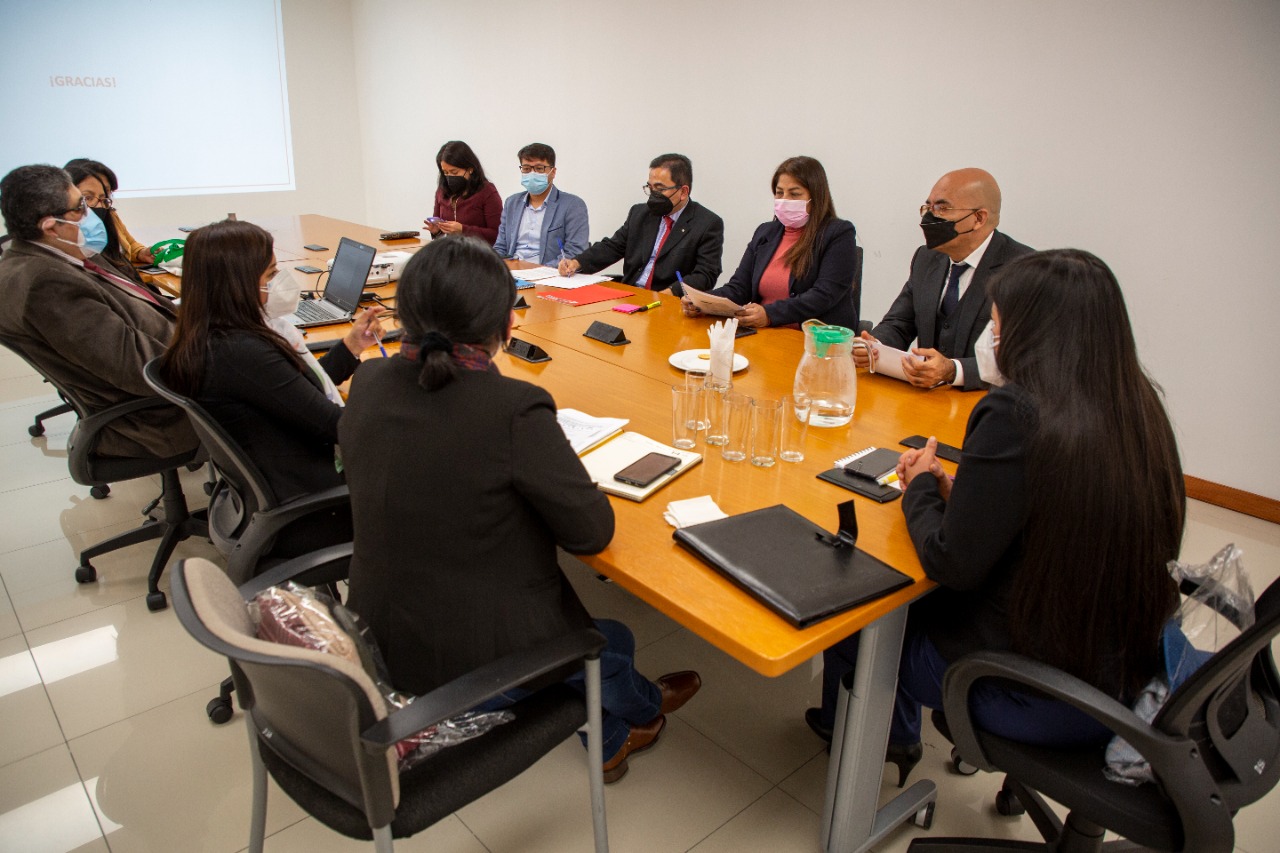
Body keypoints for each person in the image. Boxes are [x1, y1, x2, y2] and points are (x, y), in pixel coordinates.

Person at [808, 249, 1185, 787]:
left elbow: (950, 561)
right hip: (1123, 663)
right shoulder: (1137, 408)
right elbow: (1055, 501)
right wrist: (966, 489)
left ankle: (882, 746)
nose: (992, 334)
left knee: (853, 615)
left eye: (998, 322)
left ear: (1032, 328)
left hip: (1035, 685)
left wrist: (919, 487)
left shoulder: (1015, 414)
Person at [340, 236, 701, 783]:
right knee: (612, 641)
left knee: (605, 637)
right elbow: (591, 533)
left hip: (382, 628)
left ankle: (617, 729)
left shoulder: (367, 380)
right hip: (470, 656)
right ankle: (634, 716)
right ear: (507, 323)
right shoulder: (512, 408)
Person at [157, 219, 382, 553]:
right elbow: (337, 426)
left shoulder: (211, 334)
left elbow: (293, 393)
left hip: (279, 483)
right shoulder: (243, 352)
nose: (279, 283)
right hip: (315, 502)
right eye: (270, 275)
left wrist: (349, 347)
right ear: (236, 284)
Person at [0, 164, 195, 459]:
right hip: (159, 416)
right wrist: (218, 354)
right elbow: (142, 369)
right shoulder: (47, 284)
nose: (93, 213)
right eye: (80, 206)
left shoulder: (66, 254)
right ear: (50, 226)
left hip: (176, 360)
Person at [855, 168, 1032, 390]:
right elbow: (900, 322)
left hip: (985, 403)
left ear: (978, 218)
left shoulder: (1025, 271)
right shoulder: (926, 257)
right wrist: (874, 346)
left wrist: (953, 370)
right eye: (928, 207)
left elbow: (1022, 361)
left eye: (942, 208)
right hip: (926, 400)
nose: (929, 217)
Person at [680, 156, 857, 329]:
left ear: (816, 197)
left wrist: (769, 315)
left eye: (794, 194)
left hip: (816, 342)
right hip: (765, 336)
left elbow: (823, 295)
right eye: (779, 193)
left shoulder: (839, 233)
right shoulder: (765, 232)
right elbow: (739, 288)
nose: (785, 199)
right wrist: (702, 301)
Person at [558, 153, 723, 293]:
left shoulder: (707, 224)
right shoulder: (640, 213)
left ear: (683, 192)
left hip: (669, 301)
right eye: (650, 188)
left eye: (660, 188)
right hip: (631, 294)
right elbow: (612, 247)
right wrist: (576, 262)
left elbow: (705, 274)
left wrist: (671, 294)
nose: (653, 195)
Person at [63, 159, 155, 290]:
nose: (100, 204)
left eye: (105, 193)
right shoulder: (71, 235)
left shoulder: (110, 216)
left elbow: (129, 245)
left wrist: (141, 252)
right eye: (88, 197)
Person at [492, 142, 589, 266]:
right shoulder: (512, 202)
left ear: (553, 172)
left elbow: (574, 252)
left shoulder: (573, 205)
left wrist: (537, 271)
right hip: (512, 274)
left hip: (549, 275)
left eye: (539, 168)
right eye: (526, 169)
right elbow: (500, 247)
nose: (532, 174)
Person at [424, 140, 502, 246]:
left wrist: (463, 230)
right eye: (445, 172)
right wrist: (437, 231)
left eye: (454, 172)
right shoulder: (442, 191)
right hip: (449, 251)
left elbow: (497, 234)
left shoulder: (487, 192)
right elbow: (440, 233)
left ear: (470, 169)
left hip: (478, 255)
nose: (449, 177)